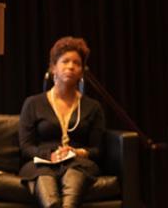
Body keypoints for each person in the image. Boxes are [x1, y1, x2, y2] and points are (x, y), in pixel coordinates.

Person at [18, 37, 106, 208]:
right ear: (53, 68)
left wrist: (77, 152)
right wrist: (49, 155)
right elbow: (26, 147)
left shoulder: (93, 107)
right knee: (50, 199)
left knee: (70, 201)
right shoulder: (33, 103)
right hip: (42, 164)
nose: (71, 66)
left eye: (76, 63)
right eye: (65, 61)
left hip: (78, 164)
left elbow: (98, 149)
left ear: (82, 72)